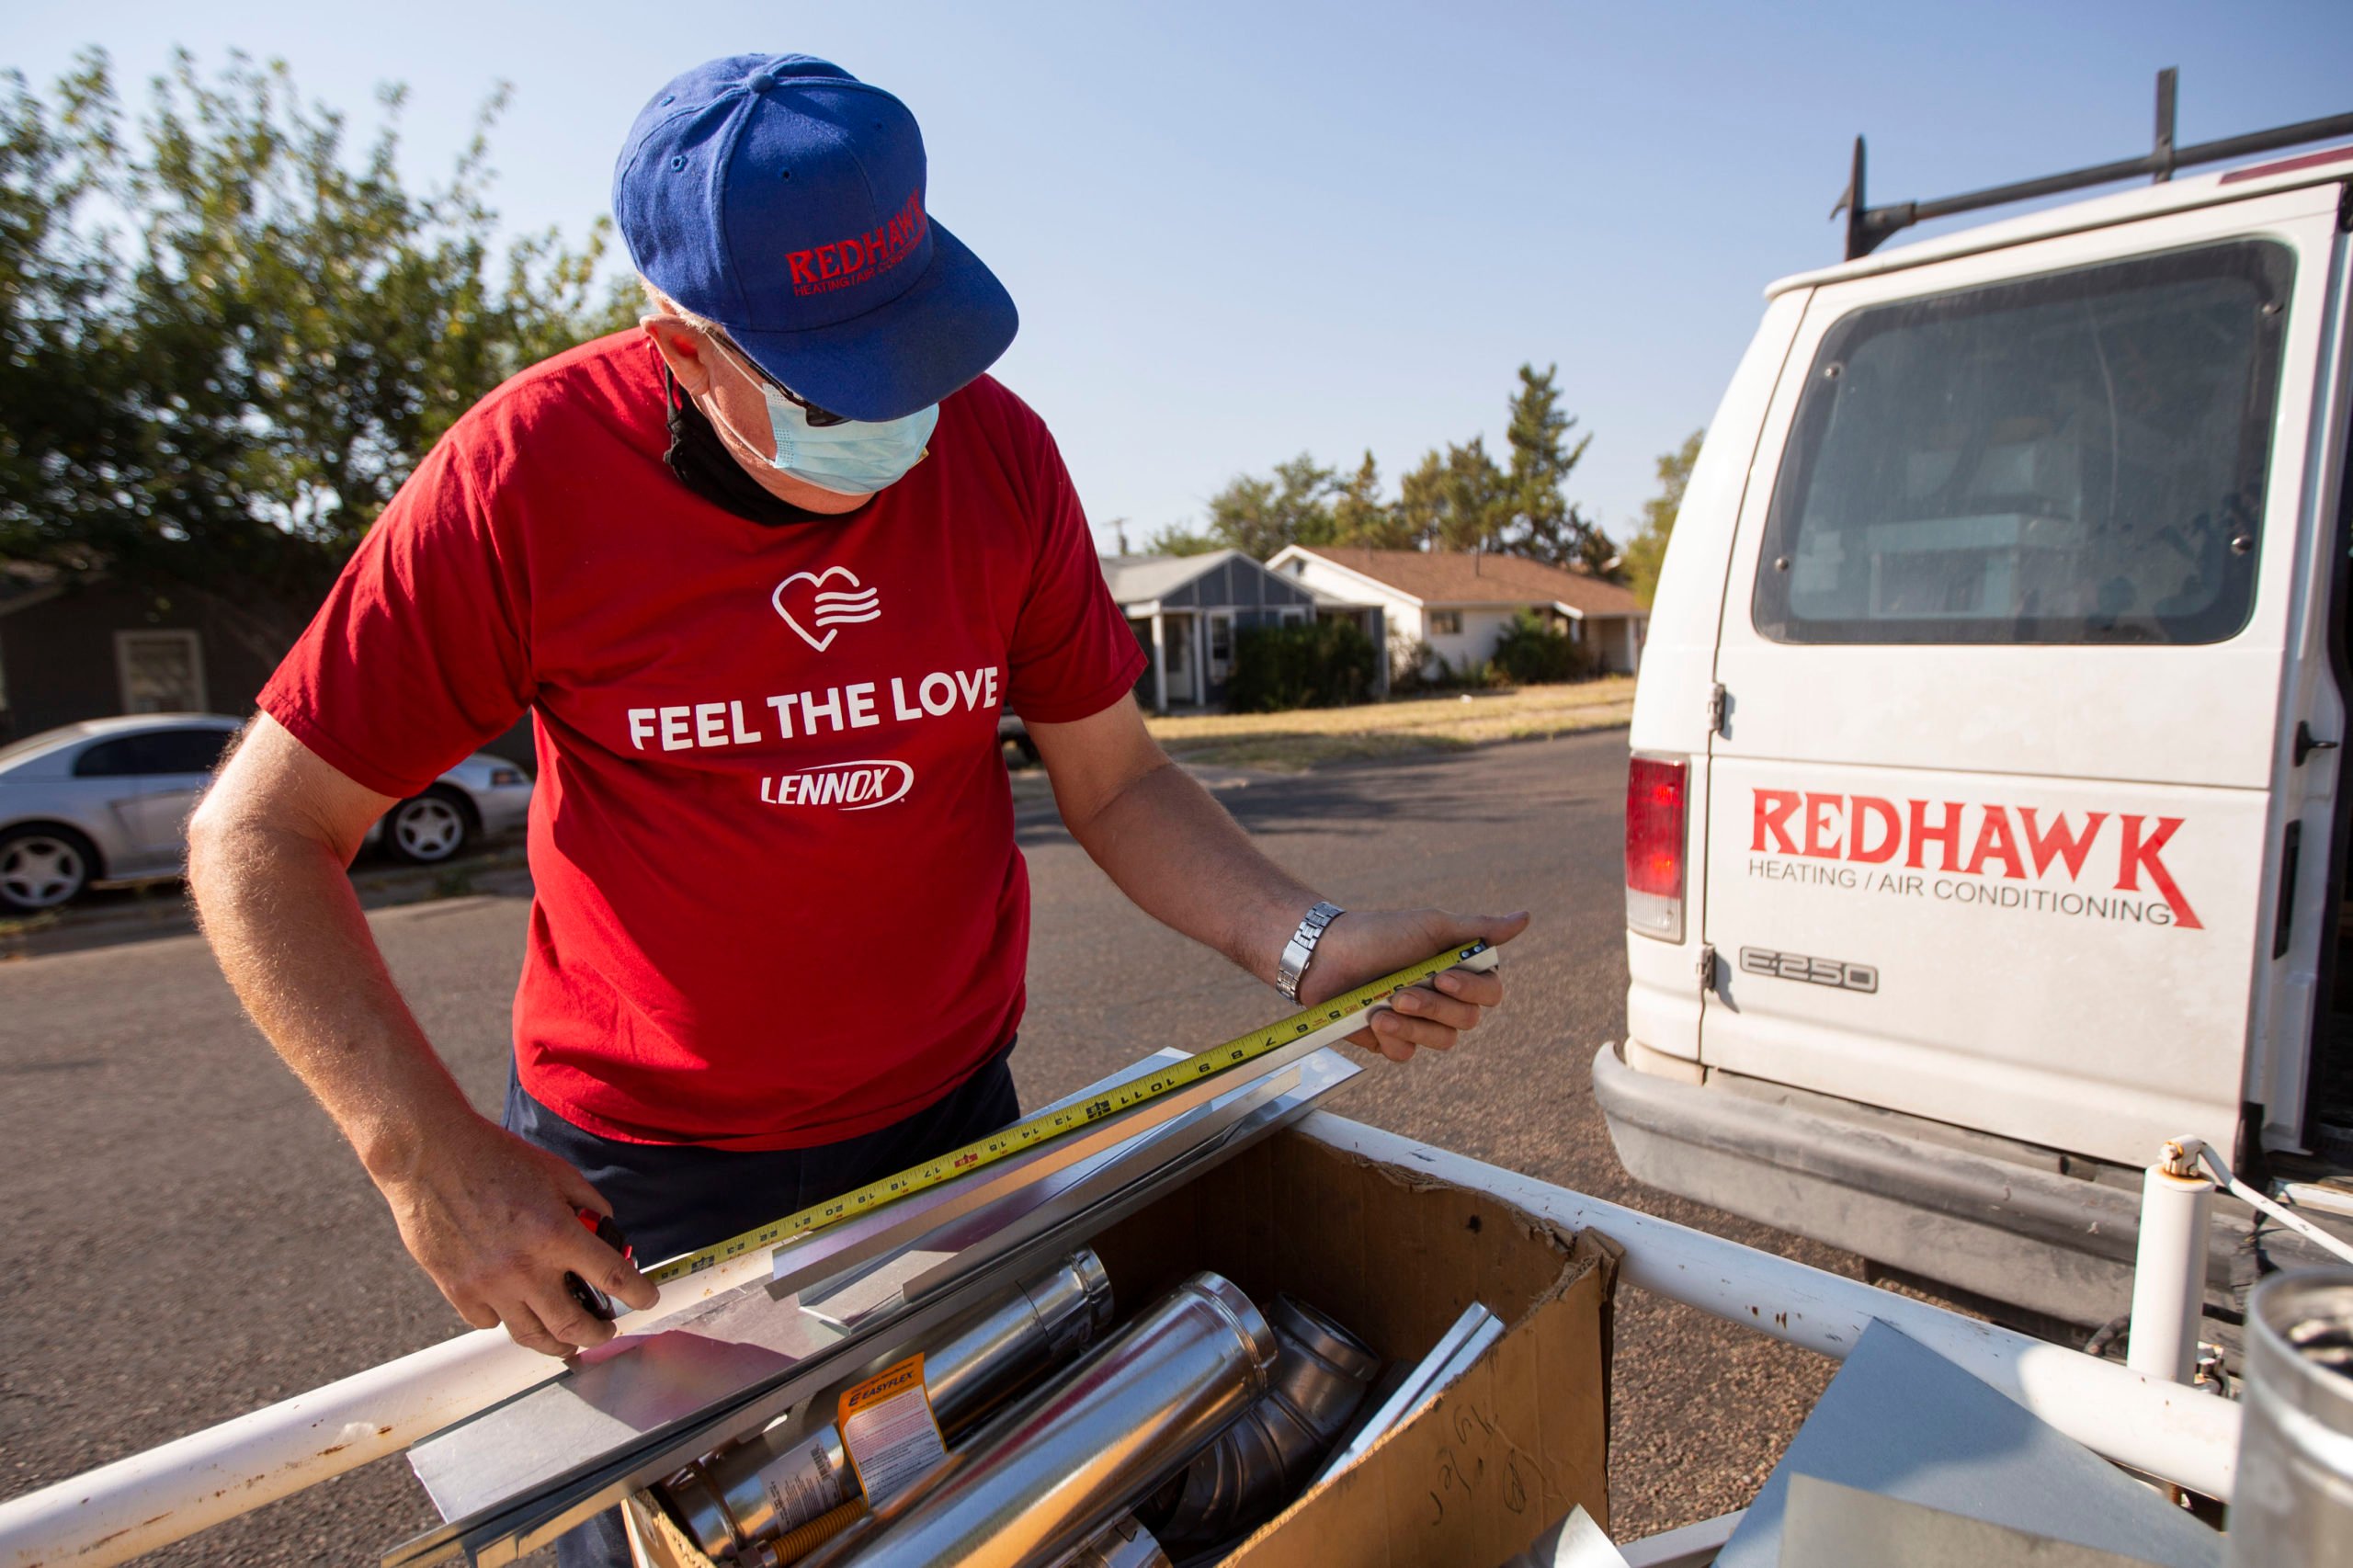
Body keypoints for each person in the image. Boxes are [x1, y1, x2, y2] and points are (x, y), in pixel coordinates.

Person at [188, 52, 1524, 1566]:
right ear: (683, 351)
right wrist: (424, 1157)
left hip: (953, 1129)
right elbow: (258, 836)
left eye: (920, 354)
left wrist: (1306, 940)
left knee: (985, 1519)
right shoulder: (524, 480)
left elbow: (1120, 775)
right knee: (703, 1541)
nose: (906, 417)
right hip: (645, 1183)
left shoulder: (1003, 459)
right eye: (841, 385)